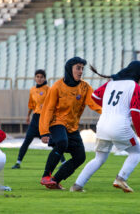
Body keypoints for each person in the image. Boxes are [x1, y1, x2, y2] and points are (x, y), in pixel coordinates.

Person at [70, 61, 140, 193]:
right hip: (120, 126)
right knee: (136, 152)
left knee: (99, 158)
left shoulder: (111, 83)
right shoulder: (135, 87)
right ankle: (121, 178)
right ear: (138, 73)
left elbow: (94, 96)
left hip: (102, 125)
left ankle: (77, 186)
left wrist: (110, 107)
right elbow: (135, 115)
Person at [39, 57, 102, 190]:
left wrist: (107, 112)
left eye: (82, 69)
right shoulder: (57, 86)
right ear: (69, 69)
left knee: (80, 157)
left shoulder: (85, 87)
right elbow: (47, 109)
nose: (81, 71)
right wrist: (44, 131)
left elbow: (94, 103)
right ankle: (46, 176)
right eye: (78, 68)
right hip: (57, 123)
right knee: (62, 142)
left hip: (72, 127)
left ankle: (55, 181)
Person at [12, 70, 65, 169]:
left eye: (41, 77)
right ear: (35, 78)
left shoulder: (48, 89)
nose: (39, 79)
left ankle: (63, 162)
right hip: (35, 119)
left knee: (52, 142)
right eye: (37, 76)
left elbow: (54, 102)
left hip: (44, 118)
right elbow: (31, 104)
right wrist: (28, 115)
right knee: (27, 140)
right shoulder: (32, 90)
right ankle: (18, 162)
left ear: (45, 78)